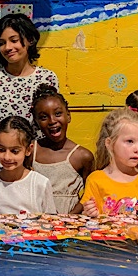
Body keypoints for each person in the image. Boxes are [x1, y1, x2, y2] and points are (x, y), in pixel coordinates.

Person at [0, 13, 58, 204]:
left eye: (14, 40)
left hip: (34, 164)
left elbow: (50, 124)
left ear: (29, 40)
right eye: (2, 43)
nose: (8, 47)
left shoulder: (47, 78)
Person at [81, 108, 138, 217]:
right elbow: (88, 212)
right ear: (109, 143)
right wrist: (89, 212)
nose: (137, 149)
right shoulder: (96, 180)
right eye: (130, 141)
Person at [31, 84, 94, 214]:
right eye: (43, 117)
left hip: (70, 222)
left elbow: (90, 193)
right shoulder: (31, 151)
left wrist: (69, 217)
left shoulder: (82, 156)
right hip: (37, 221)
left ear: (68, 116)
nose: (52, 121)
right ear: (36, 122)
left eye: (58, 113)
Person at [0, 115, 55, 215]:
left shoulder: (40, 183)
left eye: (14, 151)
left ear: (28, 150)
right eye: (1, 150)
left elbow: (50, 220)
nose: (7, 157)